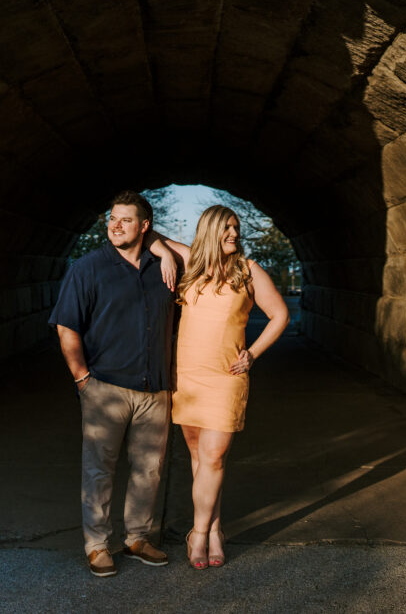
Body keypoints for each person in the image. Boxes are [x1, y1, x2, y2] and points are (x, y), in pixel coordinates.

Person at [48, 190, 178, 578]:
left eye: (125, 219)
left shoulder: (163, 267)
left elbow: (206, 254)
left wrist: (166, 250)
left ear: (144, 226)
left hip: (155, 389)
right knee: (99, 470)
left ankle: (137, 537)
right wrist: (82, 378)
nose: (114, 225)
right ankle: (98, 545)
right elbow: (66, 325)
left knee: (149, 470)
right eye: (112, 218)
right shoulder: (87, 268)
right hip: (104, 387)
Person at [158, 205, 289, 569]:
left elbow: (280, 315)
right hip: (187, 377)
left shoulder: (249, 271)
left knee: (213, 456)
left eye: (236, 228)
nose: (234, 233)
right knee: (201, 459)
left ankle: (197, 534)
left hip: (226, 377)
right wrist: (164, 255)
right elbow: (149, 234)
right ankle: (214, 529)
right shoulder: (190, 263)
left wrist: (252, 353)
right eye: (227, 228)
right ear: (210, 230)